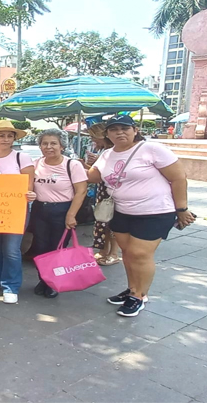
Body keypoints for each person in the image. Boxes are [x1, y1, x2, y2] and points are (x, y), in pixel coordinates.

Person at [88, 115, 194, 317]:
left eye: (124, 128)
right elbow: (93, 176)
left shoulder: (152, 149)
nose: (119, 132)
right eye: (114, 129)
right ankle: (132, 289)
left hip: (155, 212)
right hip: (122, 212)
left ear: (135, 130)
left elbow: (179, 177)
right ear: (107, 134)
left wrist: (182, 209)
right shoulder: (107, 155)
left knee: (139, 254)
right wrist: (67, 165)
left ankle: (139, 296)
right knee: (128, 253)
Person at [0, 120, 36, 304]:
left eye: (10, 136)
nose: (6, 139)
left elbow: (28, 186)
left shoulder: (22, 158)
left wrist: (30, 194)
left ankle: (11, 286)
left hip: (15, 210)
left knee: (11, 249)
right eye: (1, 135)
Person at [30, 128, 88, 298]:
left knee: (57, 248)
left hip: (62, 210)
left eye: (53, 143)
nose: (49, 147)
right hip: (39, 210)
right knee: (40, 248)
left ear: (62, 146)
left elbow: (81, 191)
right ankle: (43, 279)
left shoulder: (72, 165)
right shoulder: (35, 164)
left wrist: (71, 215)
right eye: (45, 143)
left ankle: (53, 283)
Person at [83, 124, 120, 266]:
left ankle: (113, 253)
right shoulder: (104, 151)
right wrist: (88, 166)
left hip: (113, 191)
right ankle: (104, 250)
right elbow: (97, 175)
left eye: (93, 137)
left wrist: (96, 162)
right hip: (103, 189)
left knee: (112, 222)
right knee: (103, 220)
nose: (92, 140)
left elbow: (112, 172)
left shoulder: (114, 151)